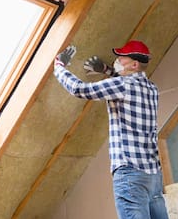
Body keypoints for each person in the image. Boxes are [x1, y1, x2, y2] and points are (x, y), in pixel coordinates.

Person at [54, 40, 169, 219]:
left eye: (121, 58)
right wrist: (107, 70)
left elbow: (79, 89)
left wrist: (59, 66)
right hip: (153, 176)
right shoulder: (152, 89)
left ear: (134, 64)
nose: (117, 60)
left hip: (130, 174)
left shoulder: (122, 85)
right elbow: (126, 82)